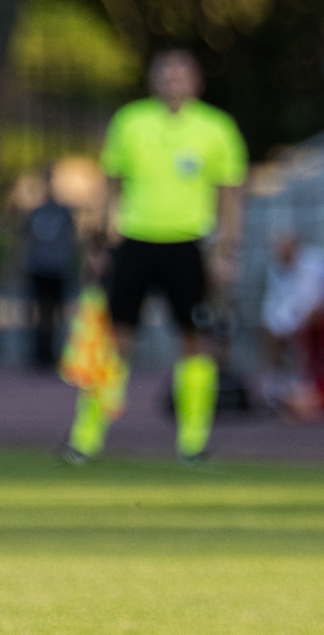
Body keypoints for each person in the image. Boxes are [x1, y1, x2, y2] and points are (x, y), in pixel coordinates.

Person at [62, 48, 247, 463]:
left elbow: (230, 195)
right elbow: (110, 186)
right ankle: (86, 436)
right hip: (134, 240)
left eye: (181, 74)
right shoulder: (130, 121)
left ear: (196, 82)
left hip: (190, 244)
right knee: (115, 339)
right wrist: (98, 243)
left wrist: (226, 252)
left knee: (194, 339)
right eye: (165, 73)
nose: (172, 80)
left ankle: (193, 441)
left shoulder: (217, 127)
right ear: (153, 79)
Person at [258, 228, 324, 398]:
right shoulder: (277, 268)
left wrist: (297, 321)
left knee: (304, 331)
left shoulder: (317, 263)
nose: (280, 252)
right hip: (293, 319)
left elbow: (323, 296)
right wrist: (274, 324)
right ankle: (280, 382)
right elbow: (273, 302)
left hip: (318, 317)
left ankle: (307, 382)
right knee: (267, 332)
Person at [22, 167, 78, 369]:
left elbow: (73, 241)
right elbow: (25, 241)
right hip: (39, 268)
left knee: (58, 313)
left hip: (58, 269)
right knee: (40, 312)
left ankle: (57, 353)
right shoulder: (35, 213)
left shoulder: (64, 213)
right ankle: (40, 353)